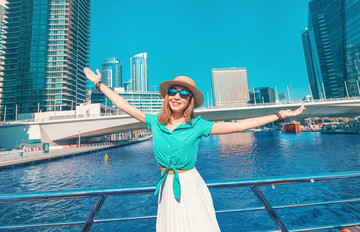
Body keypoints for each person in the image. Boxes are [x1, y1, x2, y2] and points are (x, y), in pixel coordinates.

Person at [84, 67, 305, 232]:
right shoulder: (155, 122)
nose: (177, 96)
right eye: (173, 91)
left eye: (184, 93)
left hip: (190, 186)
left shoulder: (197, 125)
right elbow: (123, 105)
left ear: (190, 100)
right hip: (166, 189)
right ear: (167, 95)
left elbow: (237, 125)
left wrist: (279, 115)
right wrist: (99, 84)